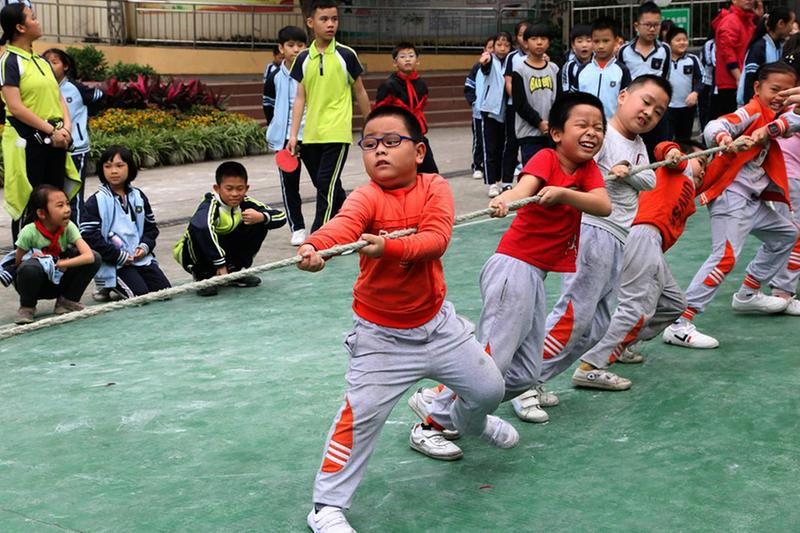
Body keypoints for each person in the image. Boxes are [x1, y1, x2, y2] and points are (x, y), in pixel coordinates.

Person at [299, 105, 511, 533]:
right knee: (359, 417)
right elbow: (343, 226)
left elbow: (435, 240)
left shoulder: (434, 187)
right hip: (381, 339)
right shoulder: (365, 196)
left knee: (490, 390)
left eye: (392, 141)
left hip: (439, 326)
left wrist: (387, 248)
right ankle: (326, 507)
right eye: (370, 143)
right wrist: (317, 247)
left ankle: (462, 422)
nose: (379, 150)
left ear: (418, 151)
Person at [407, 92, 612, 454]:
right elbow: (525, 188)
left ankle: (439, 397)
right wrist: (505, 199)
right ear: (557, 134)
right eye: (582, 125)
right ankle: (431, 423)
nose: (592, 132)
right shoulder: (547, 158)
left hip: (535, 276)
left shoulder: (585, 170)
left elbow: (603, 204)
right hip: (513, 267)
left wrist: (564, 194)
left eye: (598, 126)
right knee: (490, 363)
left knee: (524, 374)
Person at [511, 75, 671, 414]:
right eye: (645, 101)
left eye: (658, 112)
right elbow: (578, 168)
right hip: (593, 231)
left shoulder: (638, 146)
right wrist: (622, 171)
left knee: (595, 325)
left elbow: (650, 178)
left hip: (617, 238)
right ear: (624, 95)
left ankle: (534, 378)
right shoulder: (602, 137)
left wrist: (628, 170)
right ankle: (521, 383)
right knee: (573, 315)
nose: (649, 113)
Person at [663, 62, 800, 348]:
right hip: (731, 195)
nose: (779, 96)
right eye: (774, 89)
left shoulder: (779, 114)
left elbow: (794, 121)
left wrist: (772, 128)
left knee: (786, 235)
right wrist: (726, 140)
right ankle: (679, 323)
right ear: (757, 88)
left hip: (753, 201)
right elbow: (717, 124)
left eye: (786, 92)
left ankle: (748, 294)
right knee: (724, 257)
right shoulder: (751, 110)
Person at [570, 140, 711, 390]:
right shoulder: (678, 168)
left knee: (676, 303)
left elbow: (723, 171)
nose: (703, 169)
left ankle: (621, 344)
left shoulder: (689, 188)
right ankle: (592, 365)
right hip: (644, 234)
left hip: (652, 244)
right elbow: (663, 148)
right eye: (701, 161)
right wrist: (673, 152)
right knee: (635, 308)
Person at [287, 0, 371, 233]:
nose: (330, 24)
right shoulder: (302, 58)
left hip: (337, 132)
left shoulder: (347, 55)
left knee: (325, 184)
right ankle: (354, 227)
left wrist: (372, 124)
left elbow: (360, 91)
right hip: (311, 135)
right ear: (311, 22)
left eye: (334, 19)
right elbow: (300, 98)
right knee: (329, 187)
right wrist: (293, 135)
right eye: (324, 19)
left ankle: (320, 235)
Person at [1, 3, 80, 241]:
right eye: (32, 18)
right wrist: (50, 131)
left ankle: (56, 257)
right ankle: (27, 264)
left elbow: (58, 97)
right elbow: (15, 106)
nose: (38, 21)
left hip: (54, 140)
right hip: (27, 143)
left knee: (55, 202)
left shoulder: (42, 61)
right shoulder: (10, 61)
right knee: (31, 203)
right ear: (20, 27)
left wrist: (65, 128)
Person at [173, 161, 287, 297]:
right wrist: (220, 265)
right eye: (229, 189)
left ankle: (235, 271)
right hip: (193, 255)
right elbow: (202, 228)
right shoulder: (210, 205)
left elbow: (281, 217)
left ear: (246, 188)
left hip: (222, 250)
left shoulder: (246, 202)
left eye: (239, 189)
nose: (234, 194)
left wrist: (262, 217)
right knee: (199, 229)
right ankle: (203, 274)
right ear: (217, 188)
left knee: (258, 222)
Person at [79, 145, 170, 300]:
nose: (113, 171)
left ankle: (124, 282)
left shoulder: (138, 196)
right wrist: (118, 255)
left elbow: (151, 228)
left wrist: (144, 247)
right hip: (115, 263)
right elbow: (89, 236)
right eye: (108, 166)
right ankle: (107, 285)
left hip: (140, 259)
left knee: (165, 292)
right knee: (140, 296)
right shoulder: (96, 201)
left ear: (130, 168)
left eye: (119, 166)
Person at [13, 184, 100, 324]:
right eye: (59, 206)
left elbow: (89, 256)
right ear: (41, 213)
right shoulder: (29, 232)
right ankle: (27, 306)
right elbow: (18, 263)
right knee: (29, 268)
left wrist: (60, 263)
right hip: (36, 283)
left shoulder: (69, 227)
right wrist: (36, 260)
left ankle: (66, 301)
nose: (67, 210)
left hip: (60, 277)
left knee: (96, 258)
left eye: (67, 204)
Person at [43, 48, 104, 224]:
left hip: (76, 149)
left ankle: (77, 235)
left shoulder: (75, 88)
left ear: (66, 66)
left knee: (74, 194)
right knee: (55, 194)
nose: (50, 65)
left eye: (55, 62)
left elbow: (100, 96)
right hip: (54, 147)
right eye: (47, 62)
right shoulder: (44, 88)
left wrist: (83, 118)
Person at [264, 25, 308, 246]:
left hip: (311, 135)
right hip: (285, 139)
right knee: (290, 186)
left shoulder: (311, 70)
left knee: (325, 182)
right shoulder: (274, 76)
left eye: (300, 45)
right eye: (291, 45)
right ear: (281, 48)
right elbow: (268, 104)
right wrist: (277, 128)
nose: (296, 49)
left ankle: (336, 222)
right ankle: (297, 227)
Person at [617, 2, 672, 159]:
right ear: (636, 26)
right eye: (648, 25)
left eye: (656, 25)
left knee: (658, 148)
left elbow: (665, 78)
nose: (652, 29)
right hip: (633, 109)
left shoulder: (665, 50)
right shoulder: (624, 51)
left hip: (656, 110)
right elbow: (623, 79)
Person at [374, 41, 438, 173]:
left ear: (417, 61)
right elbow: (379, 112)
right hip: (396, 137)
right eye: (402, 57)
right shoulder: (388, 85)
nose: (407, 59)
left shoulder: (421, 84)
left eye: (411, 55)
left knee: (430, 172)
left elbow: (422, 105)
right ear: (395, 63)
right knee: (398, 173)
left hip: (417, 134)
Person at [511, 24, 559, 164]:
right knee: (533, 176)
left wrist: (554, 123)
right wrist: (539, 123)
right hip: (529, 134)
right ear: (525, 43)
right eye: (534, 38)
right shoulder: (519, 71)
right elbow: (520, 104)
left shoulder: (554, 69)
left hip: (552, 133)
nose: (539, 42)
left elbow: (560, 99)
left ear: (548, 42)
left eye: (543, 38)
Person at [568, 17, 631, 120]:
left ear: (616, 41)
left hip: (613, 127)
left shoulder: (622, 71)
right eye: (596, 41)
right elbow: (573, 100)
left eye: (606, 41)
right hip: (585, 126)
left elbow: (627, 103)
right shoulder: (582, 70)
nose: (601, 46)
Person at [769, 116, 800, 312]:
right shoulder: (790, 110)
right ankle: (782, 291)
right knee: (793, 234)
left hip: (789, 175)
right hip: (791, 177)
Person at [737, 6, 795, 106]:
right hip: (755, 105)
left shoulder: (778, 47)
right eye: (791, 23)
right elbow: (750, 80)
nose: (792, 28)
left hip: (769, 104)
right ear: (781, 23)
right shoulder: (759, 47)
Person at [479, 31, 513, 198]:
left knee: (506, 148)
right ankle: (492, 182)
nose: (502, 48)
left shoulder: (512, 61)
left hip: (507, 110)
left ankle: (506, 181)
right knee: (491, 148)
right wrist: (484, 62)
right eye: (499, 45)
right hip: (490, 110)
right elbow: (484, 68)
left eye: (506, 45)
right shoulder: (489, 60)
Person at [711, 0, 757, 118]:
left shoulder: (748, 20)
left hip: (742, 79)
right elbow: (728, 52)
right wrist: (738, 77)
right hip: (731, 83)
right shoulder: (731, 20)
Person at [501, 20, 531, 188]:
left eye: (529, 35)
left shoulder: (543, 57)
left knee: (531, 145)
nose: (525, 39)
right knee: (512, 144)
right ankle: (506, 182)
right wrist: (520, 103)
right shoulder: (512, 57)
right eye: (521, 35)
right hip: (515, 107)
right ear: (517, 38)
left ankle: (530, 182)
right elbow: (509, 82)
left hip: (535, 109)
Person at [465, 36, 494, 180]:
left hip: (496, 111)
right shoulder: (477, 67)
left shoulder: (502, 67)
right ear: (484, 50)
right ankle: (477, 165)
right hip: (479, 112)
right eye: (490, 47)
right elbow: (469, 86)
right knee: (479, 140)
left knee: (494, 140)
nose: (493, 50)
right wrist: (473, 102)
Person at [665, 27, 702, 140]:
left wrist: (695, 93)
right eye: (678, 40)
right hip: (667, 107)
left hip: (687, 108)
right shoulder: (664, 60)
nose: (682, 42)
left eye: (684, 39)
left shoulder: (692, 59)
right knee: (667, 139)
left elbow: (703, 78)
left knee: (685, 140)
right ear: (669, 43)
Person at [559, 24, 593, 93]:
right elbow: (567, 92)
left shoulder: (600, 64)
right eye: (580, 41)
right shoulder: (569, 66)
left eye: (588, 41)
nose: (584, 45)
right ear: (573, 45)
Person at [699, 31, 717, 129]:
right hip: (707, 81)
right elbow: (711, 61)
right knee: (704, 110)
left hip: (716, 83)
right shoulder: (709, 44)